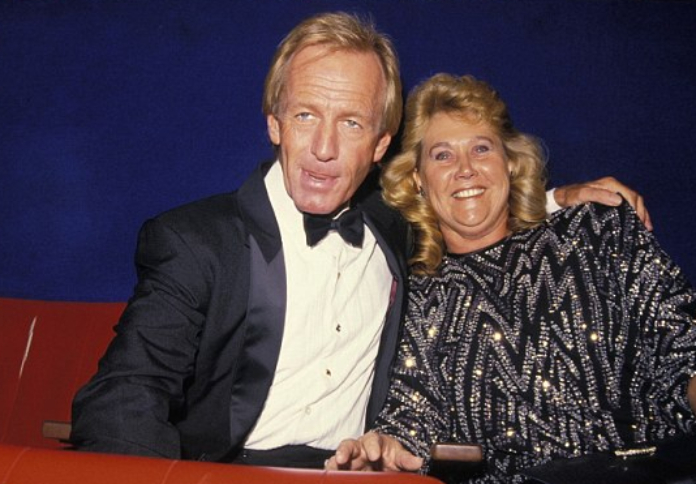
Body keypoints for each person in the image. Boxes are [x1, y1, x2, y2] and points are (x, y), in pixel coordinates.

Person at [70, 13, 651, 469]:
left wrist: (558, 199)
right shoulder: (196, 241)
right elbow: (126, 394)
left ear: (379, 143)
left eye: (351, 122)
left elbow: (469, 204)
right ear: (274, 122)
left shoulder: (393, 227)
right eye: (305, 116)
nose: (324, 147)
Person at [327, 74, 696, 482]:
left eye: (481, 149)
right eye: (443, 156)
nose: (465, 169)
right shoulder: (422, 297)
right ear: (418, 179)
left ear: (510, 161)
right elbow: (412, 414)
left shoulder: (597, 231)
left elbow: (682, 349)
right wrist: (382, 451)